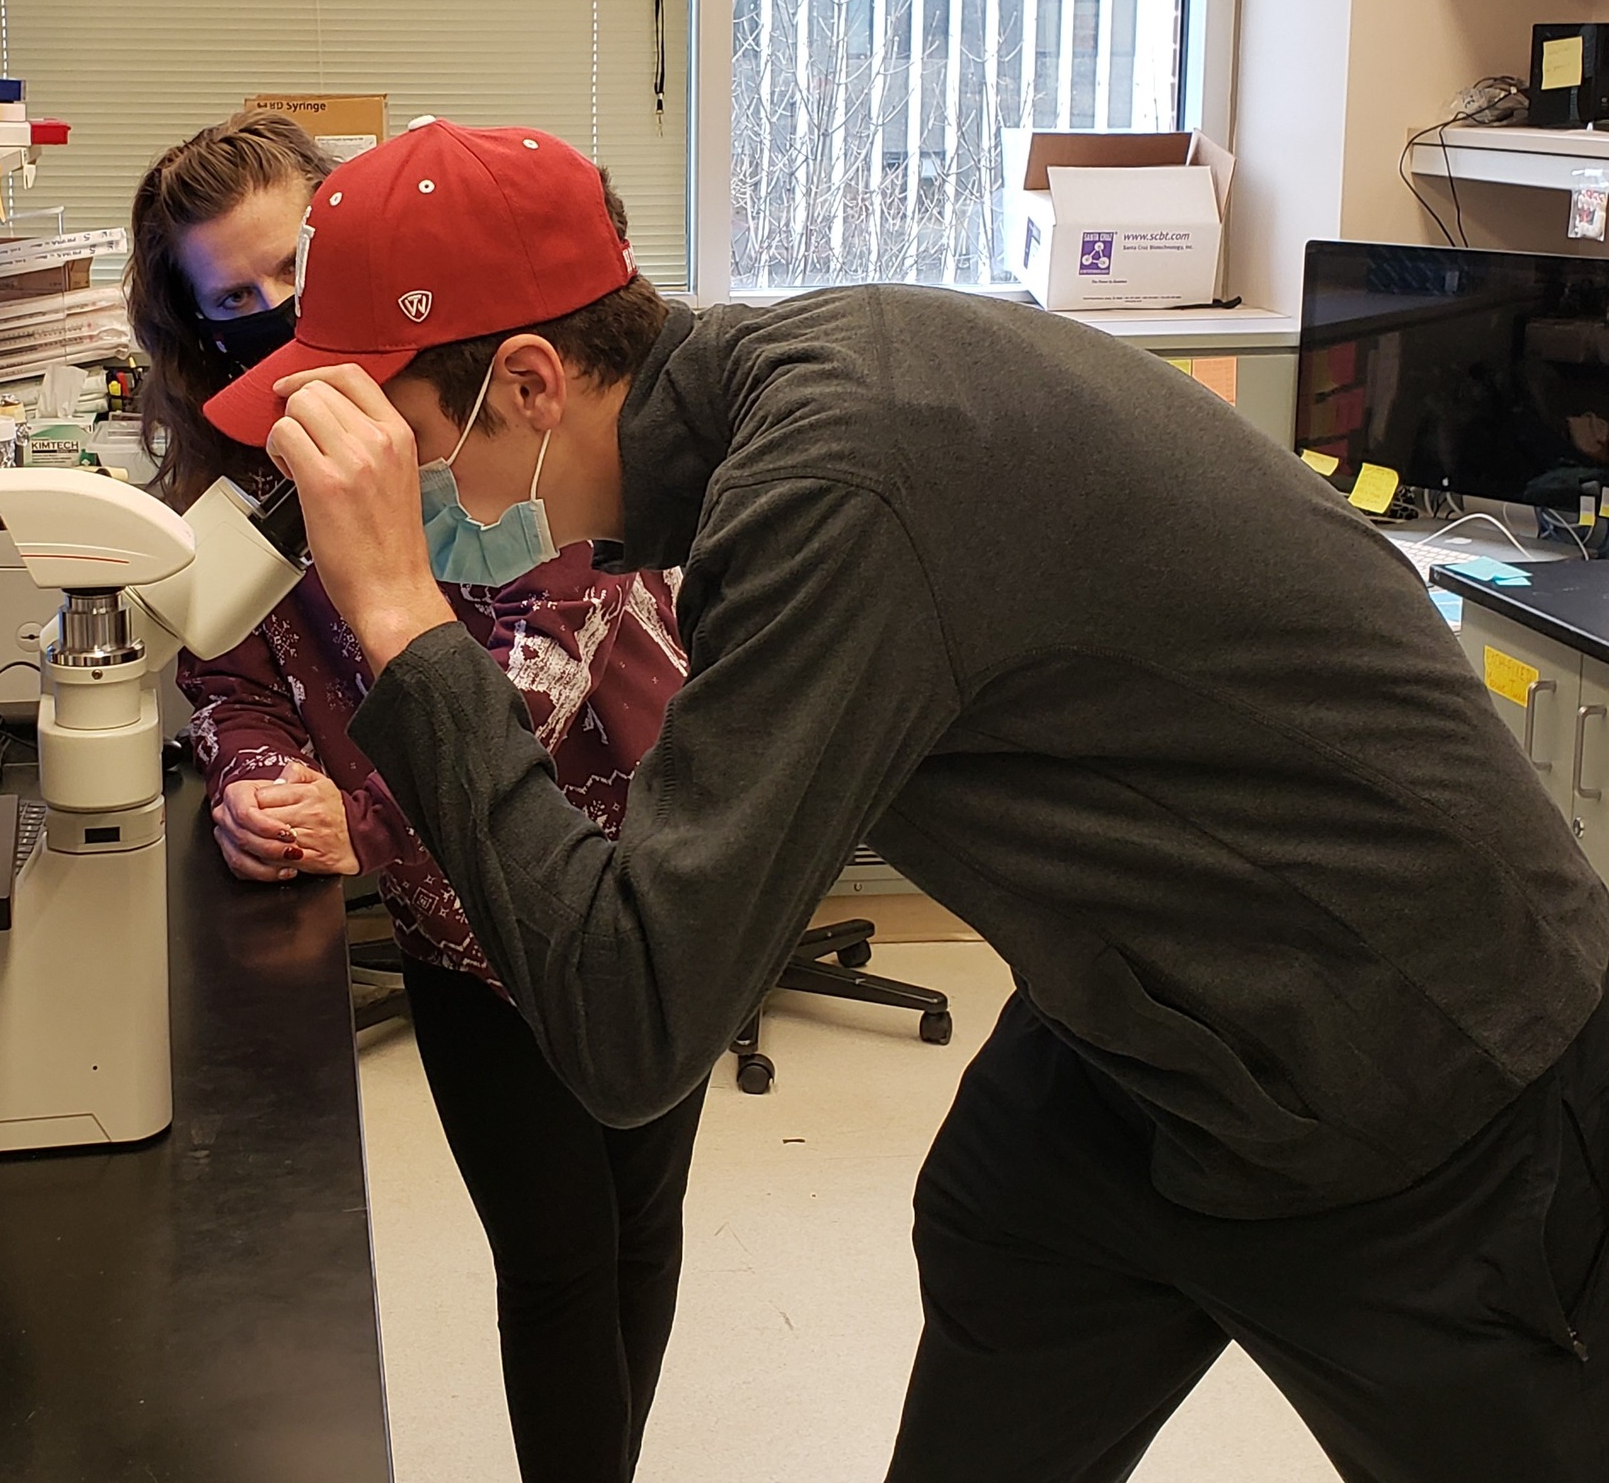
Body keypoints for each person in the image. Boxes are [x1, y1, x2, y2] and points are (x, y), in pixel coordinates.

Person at [204, 118, 1609, 1481]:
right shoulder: (770, 412)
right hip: (1150, 1040)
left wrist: (401, 614)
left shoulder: (832, 484)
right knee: (1003, 1219)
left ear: (528, 384)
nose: (378, 494)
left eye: (392, 443)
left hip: (1430, 1071)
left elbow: (633, 1023)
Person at [125, 111, 704, 1483]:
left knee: (639, 1216)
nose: (276, 315)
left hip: (630, 886)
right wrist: (265, 779)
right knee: (552, 1253)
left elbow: (553, 657)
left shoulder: (496, 423)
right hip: (462, 929)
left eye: (295, 273)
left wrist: (368, 817)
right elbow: (229, 667)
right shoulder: (247, 468)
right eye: (236, 303)